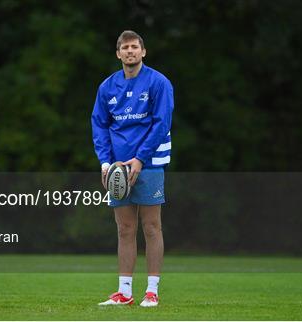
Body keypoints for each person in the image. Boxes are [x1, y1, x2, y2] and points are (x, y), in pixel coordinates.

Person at [91, 30, 174, 307]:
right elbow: (100, 125)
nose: (130, 51)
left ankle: (152, 291)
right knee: (125, 229)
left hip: (148, 164)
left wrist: (139, 159)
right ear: (118, 54)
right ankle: (124, 292)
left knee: (151, 227)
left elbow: (161, 124)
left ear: (143, 51)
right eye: (125, 47)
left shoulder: (159, 83)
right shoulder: (107, 87)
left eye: (134, 47)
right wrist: (105, 162)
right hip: (118, 168)